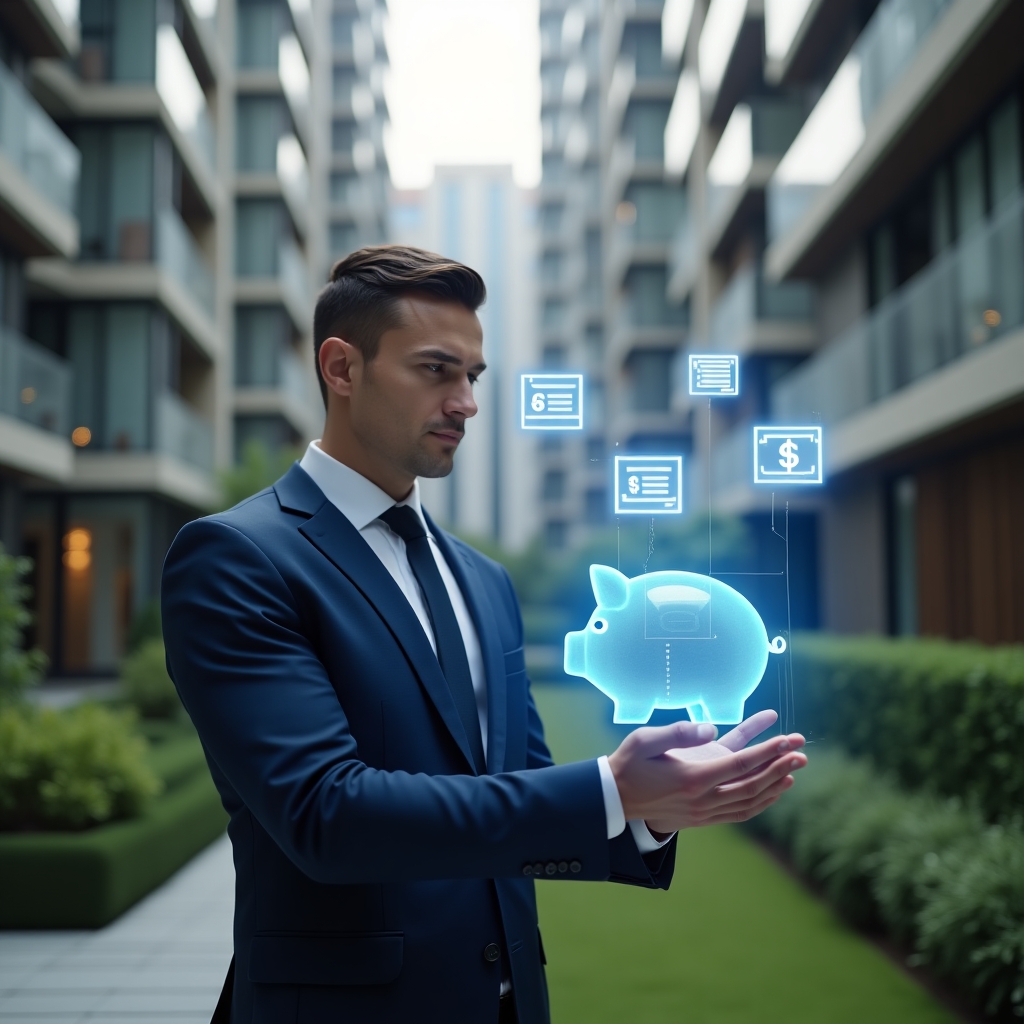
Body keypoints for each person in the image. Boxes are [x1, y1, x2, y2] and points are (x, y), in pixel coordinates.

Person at [161, 245, 807, 1024]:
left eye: (473, 376)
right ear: (341, 368)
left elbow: (522, 796)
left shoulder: (483, 580)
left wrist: (654, 810)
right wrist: (609, 786)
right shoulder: (239, 556)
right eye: (436, 370)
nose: (465, 402)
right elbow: (325, 814)